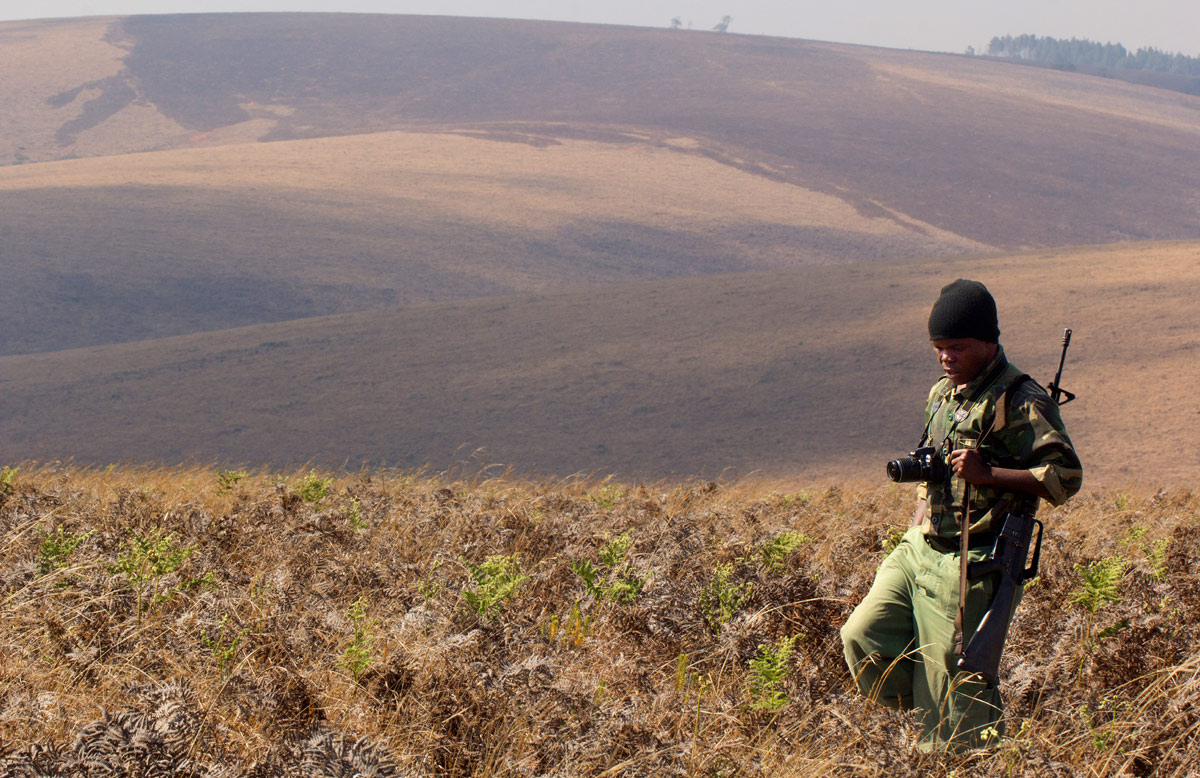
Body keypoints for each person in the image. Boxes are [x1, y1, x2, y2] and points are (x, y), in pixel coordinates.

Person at [840, 279, 1082, 749]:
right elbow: (934, 462)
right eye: (938, 348)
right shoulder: (942, 395)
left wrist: (989, 473)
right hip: (920, 546)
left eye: (957, 347)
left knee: (955, 685)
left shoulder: (1022, 400)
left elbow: (1065, 477)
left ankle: (960, 751)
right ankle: (929, 713)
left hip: (972, 559)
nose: (945, 357)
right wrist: (917, 520)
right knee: (863, 638)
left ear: (988, 342)